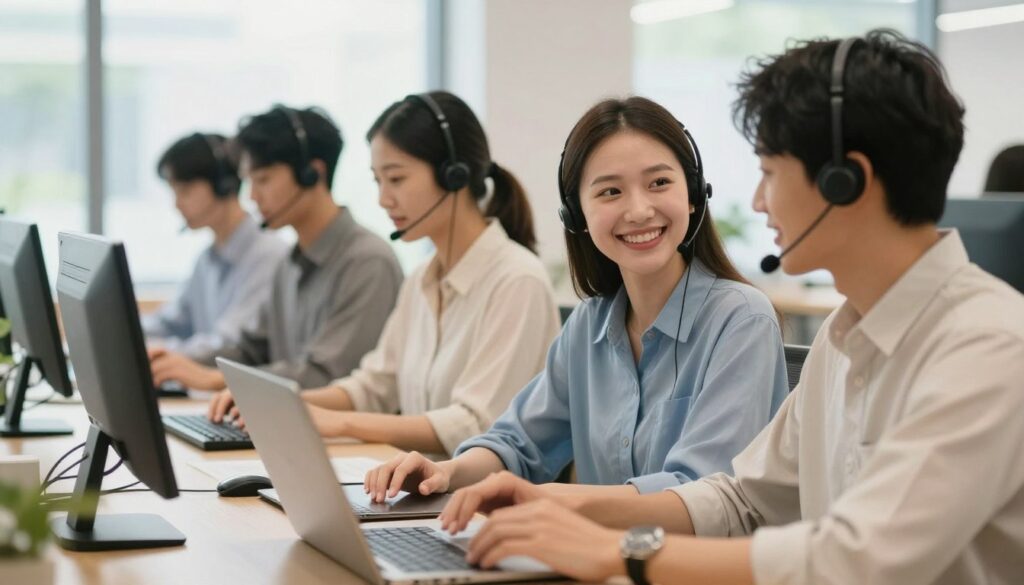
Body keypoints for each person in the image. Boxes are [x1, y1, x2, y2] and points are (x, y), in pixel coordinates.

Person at [441, 30, 1024, 585]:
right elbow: (742, 497)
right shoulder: (841, 342)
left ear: (846, 182)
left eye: (770, 172)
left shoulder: (987, 347)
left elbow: (856, 557)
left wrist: (612, 548)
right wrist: (545, 499)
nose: (757, 201)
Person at [364, 96, 789, 501]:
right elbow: (517, 443)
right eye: (610, 192)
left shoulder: (740, 320)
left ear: (694, 194)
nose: (639, 210)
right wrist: (446, 473)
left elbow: (700, 491)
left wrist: (552, 502)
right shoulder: (591, 325)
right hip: (596, 559)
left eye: (659, 182)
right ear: (576, 214)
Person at [208, 92, 560, 456]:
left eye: (396, 179)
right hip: (419, 490)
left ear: (454, 175)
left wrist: (341, 423)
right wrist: (282, 403)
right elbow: (374, 385)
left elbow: (475, 424)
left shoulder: (517, 281)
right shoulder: (422, 277)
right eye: (378, 181)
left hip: (484, 504)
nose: (383, 199)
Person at [149, 105, 403, 391]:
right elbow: (249, 349)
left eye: (263, 180)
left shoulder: (367, 262)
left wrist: (215, 379)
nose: (253, 197)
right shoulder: (289, 262)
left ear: (312, 173)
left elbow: (327, 375)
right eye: (249, 182)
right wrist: (179, 364)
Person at [143, 132, 288, 359]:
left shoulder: (268, 256)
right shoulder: (207, 259)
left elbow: (228, 345)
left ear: (224, 184)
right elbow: (172, 322)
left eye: (185, 192)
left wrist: (159, 353)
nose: (177, 204)